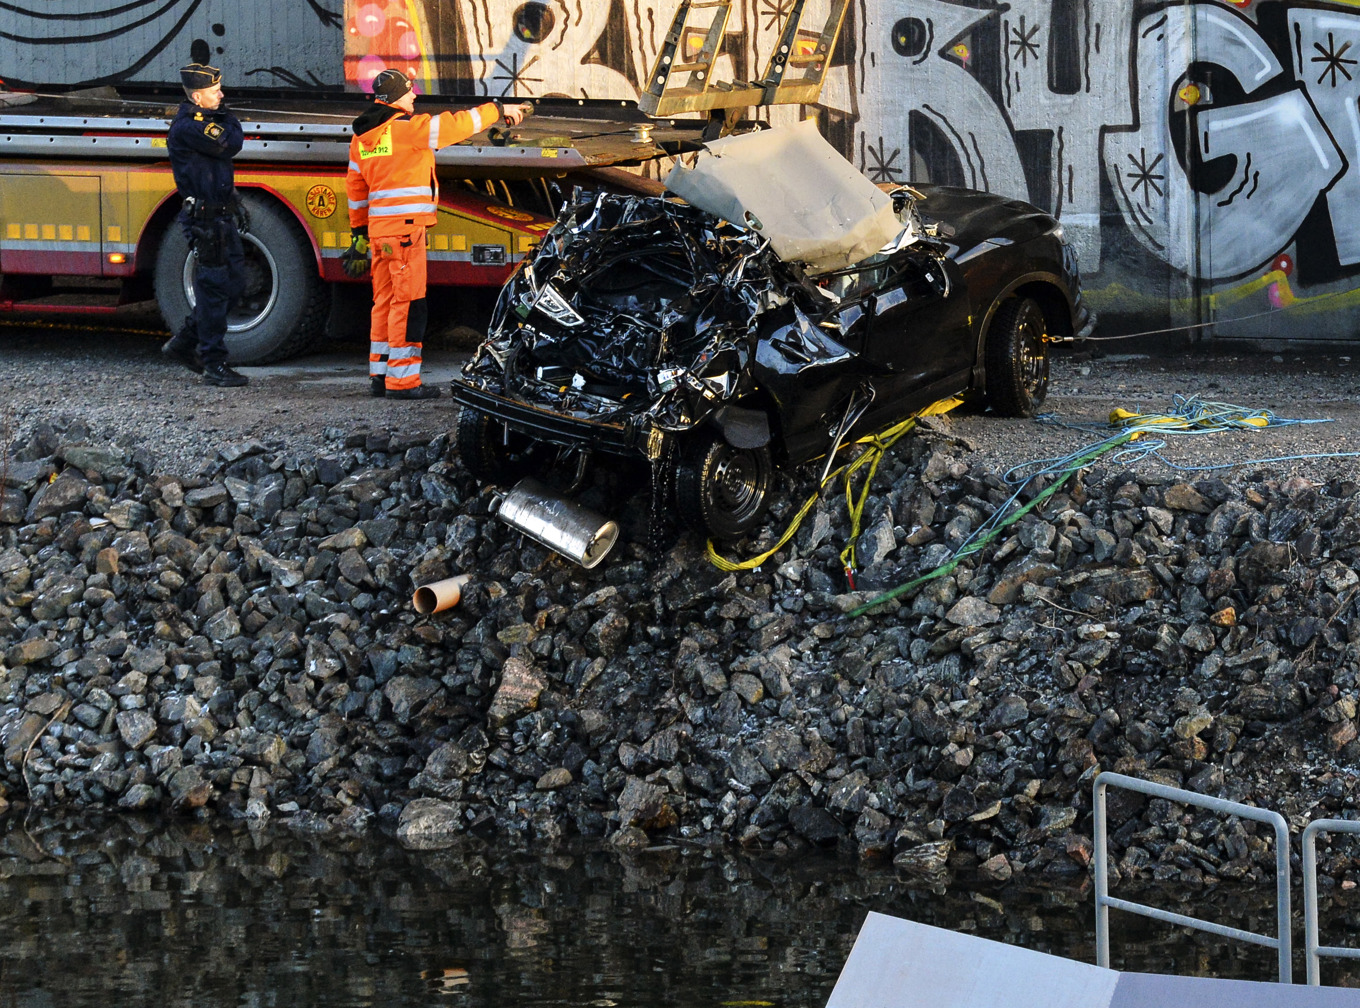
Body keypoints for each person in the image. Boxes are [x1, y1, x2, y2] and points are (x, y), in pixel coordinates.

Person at [344, 70, 530, 399]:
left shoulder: (363, 138)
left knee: (384, 302)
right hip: (405, 231)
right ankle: (402, 382)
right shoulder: (407, 129)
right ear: (394, 98)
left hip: (379, 233)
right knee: (409, 304)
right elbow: (456, 125)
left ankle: (381, 373)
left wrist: (358, 231)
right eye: (408, 91)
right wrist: (498, 109)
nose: (414, 95)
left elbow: (356, 189)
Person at [161, 62, 250, 388]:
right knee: (213, 291)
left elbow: (221, 157)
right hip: (205, 222)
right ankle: (213, 362)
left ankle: (184, 342)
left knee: (236, 285)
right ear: (198, 96)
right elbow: (233, 143)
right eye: (215, 92)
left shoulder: (206, 121)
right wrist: (226, 117)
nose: (221, 95)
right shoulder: (189, 127)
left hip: (221, 215)